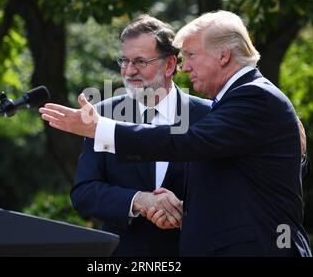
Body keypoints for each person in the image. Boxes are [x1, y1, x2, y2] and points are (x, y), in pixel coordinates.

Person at [39, 10, 312, 257]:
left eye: (191, 56)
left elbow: (184, 141)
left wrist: (102, 129)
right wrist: (151, 204)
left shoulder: (246, 100)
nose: (185, 66)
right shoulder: (105, 112)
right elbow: (226, 188)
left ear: (223, 55)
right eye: (124, 60)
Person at [69, 15, 211, 256]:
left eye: (140, 62)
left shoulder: (207, 115)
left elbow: (226, 193)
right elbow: (84, 193)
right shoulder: (104, 114)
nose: (129, 71)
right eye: (124, 61)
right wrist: (138, 201)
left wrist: (183, 213)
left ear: (169, 65)